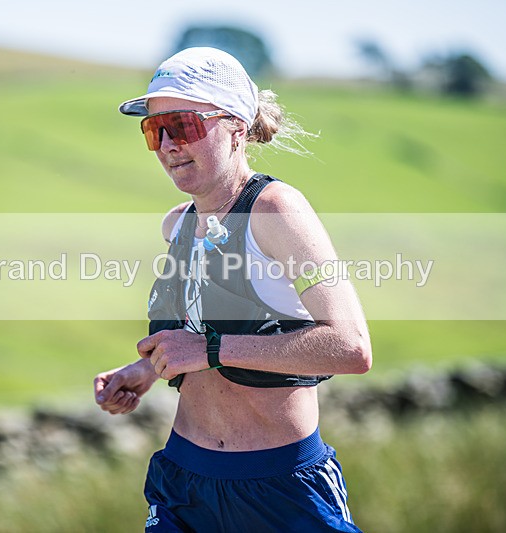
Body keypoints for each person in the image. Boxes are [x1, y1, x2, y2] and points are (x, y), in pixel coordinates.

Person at [93, 47, 371, 532]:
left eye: (182, 126)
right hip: (184, 481)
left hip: (281, 487)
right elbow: (196, 337)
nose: (167, 145)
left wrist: (210, 349)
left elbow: (350, 348)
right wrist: (146, 368)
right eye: (153, 130)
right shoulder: (176, 226)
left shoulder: (276, 212)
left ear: (237, 126)